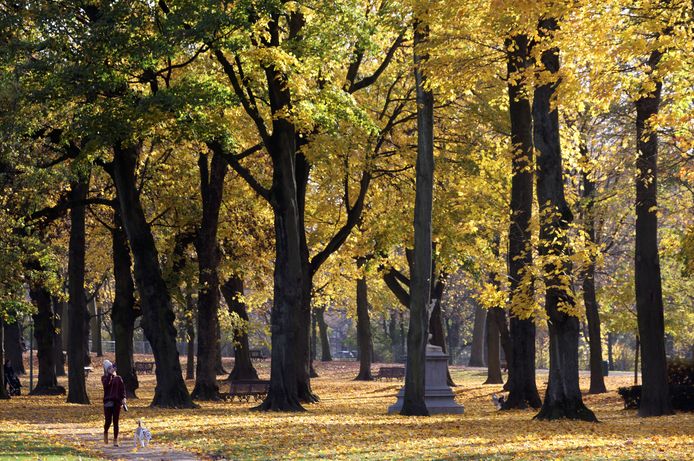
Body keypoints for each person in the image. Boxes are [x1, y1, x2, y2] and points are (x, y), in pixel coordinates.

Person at [102, 359, 126, 446]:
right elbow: (106, 385)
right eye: (108, 368)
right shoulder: (104, 378)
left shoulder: (118, 378)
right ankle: (105, 432)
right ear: (106, 370)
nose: (111, 369)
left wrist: (123, 398)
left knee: (116, 421)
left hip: (117, 402)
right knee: (108, 421)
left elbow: (122, 389)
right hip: (108, 402)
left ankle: (115, 440)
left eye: (111, 367)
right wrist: (109, 375)